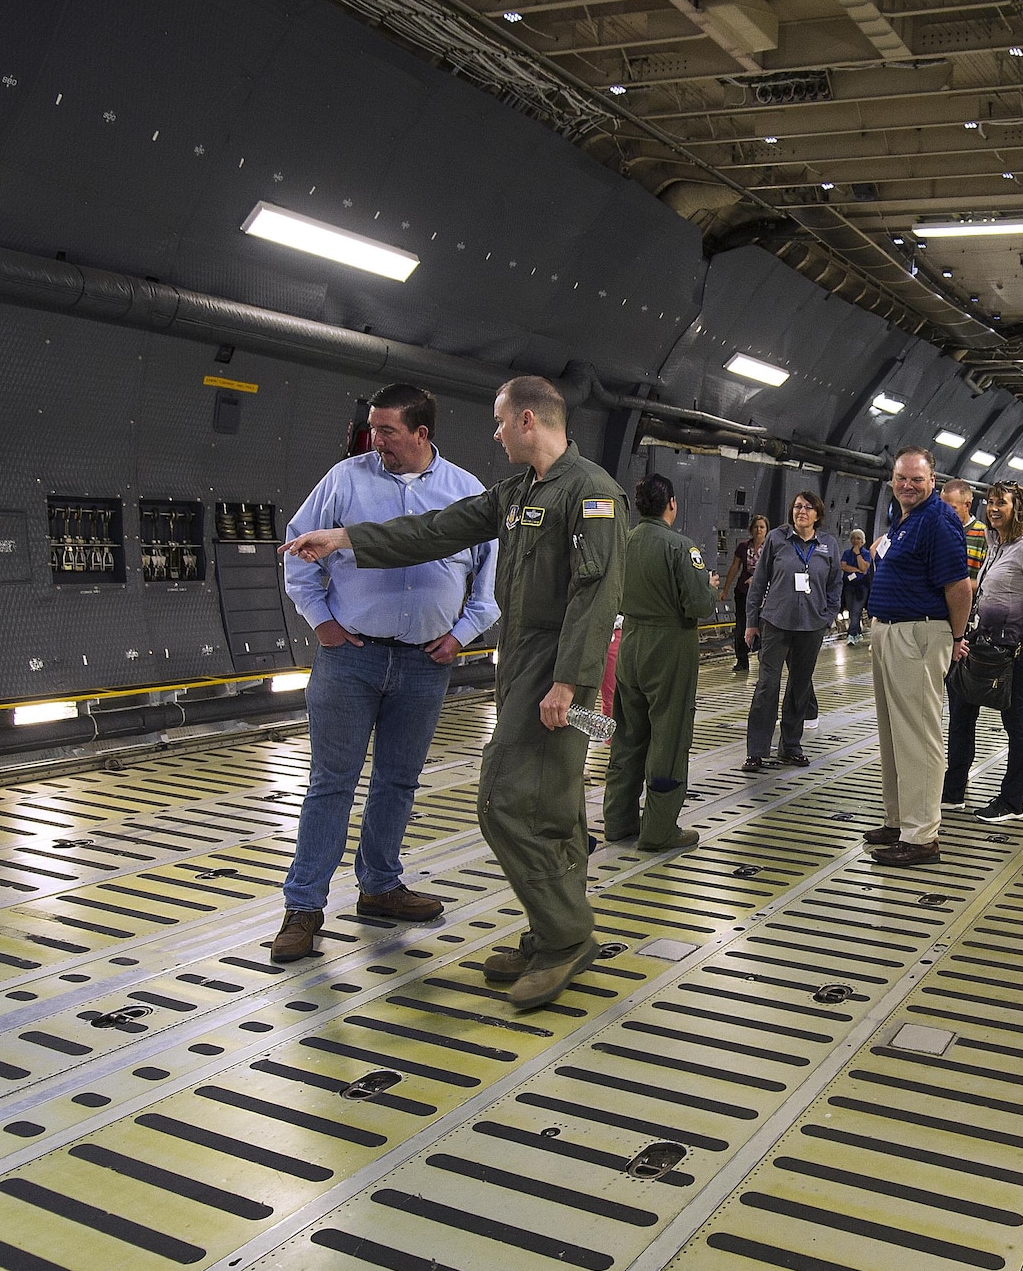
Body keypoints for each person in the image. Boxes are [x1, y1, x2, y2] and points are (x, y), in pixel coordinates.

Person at [280, 376, 629, 1012]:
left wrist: (569, 684)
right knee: (549, 806)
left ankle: (566, 937)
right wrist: (346, 538)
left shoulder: (593, 494)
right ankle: (549, 929)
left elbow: (595, 593)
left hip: (562, 683)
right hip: (528, 674)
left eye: (500, 423)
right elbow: (435, 529)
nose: (493, 434)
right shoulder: (520, 492)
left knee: (510, 802)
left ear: (528, 420)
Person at [272, 384, 499, 964]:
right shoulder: (345, 480)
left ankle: (379, 887)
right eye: (374, 429)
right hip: (351, 657)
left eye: (388, 431)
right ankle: (303, 907)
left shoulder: (465, 491)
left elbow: (492, 579)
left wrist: (462, 633)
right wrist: (321, 621)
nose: (376, 441)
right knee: (331, 782)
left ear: (422, 434)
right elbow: (298, 555)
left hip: (426, 662)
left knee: (398, 781)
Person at [863, 447, 973, 866]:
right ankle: (899, 821)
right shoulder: (905, 517)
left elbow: (960, 589)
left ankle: (923, 837)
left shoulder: (939, 521)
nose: (907, 485)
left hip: (919, 634)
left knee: (919, 736)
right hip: (889, 631)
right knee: (893, 734)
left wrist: (955, 637)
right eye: (900, 478)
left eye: (916, 479)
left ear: (933, 482)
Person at [605, 474, 722, 851]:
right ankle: (659, 830)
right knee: (668, 739)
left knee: (627, 736)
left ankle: (618, 822)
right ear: (671, 502)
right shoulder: (680, 547)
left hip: (630, 643)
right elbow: (699, 605)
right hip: (669, 646)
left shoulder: (623, 541)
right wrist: (711, 587)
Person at [942, 482, 1023, 822]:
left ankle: (1012, 801)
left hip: (1010, 656)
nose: (994, 508)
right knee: (961, 715)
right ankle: (953, 790)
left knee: (1015, 725)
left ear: (1018, 508)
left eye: (1002, 503)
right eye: (991, 502)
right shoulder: (996, 543)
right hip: (979, 648)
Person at [742, 492, 844, 771]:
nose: (802, 511)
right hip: (776, 623)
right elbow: (759, 581)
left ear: (817, 514)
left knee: (799, 687)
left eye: (808, 507)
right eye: (798, 506)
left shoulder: (828, 545)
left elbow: (835, 584)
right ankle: (757, 750)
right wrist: (752, 622)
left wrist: (828, 616)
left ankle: (791, 745)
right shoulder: (777, 539)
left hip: (811, 626)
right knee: (767, 686)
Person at [720, 515, 769, 672]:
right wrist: (725, 589)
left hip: (764, 593)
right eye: (756, 527)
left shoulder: (770, 547)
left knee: (763, 626)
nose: (758, 530)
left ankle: (765, 659)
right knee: (741, 626)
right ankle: (742, 659)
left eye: (762, 527)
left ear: (767, 530)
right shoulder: (743, 547)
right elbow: (735, 567)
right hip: (743, 592)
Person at [943, 479, 990, 581]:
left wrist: (950, 585)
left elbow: (987, 584)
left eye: (952, 508)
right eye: (941, 507)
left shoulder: (984, 536)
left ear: (967, 505)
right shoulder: (937, 530)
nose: (944, 513)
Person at [840, 528, 874, 643]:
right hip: (849, 586)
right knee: (851, 610)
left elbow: (864, 568)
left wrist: (858, 554)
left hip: (862, 587)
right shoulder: (846, 553)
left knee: (856, 610)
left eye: (858, 538)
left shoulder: (866, 554)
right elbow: (843, 566)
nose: (855, 541)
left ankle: (851, 634)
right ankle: (858, 631)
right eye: (853, 538)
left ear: (862, 541)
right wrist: (857, 570)